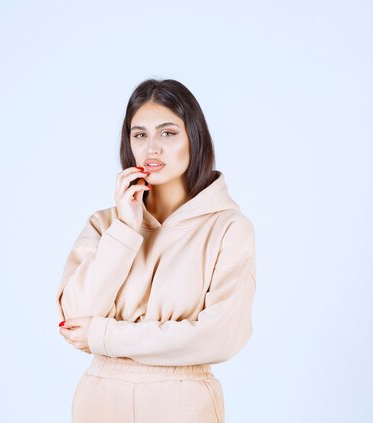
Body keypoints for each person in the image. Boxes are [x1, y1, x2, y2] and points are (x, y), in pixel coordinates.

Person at [56, 78, 256, 423]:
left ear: (194, 137)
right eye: (140, 134)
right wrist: (126, 229)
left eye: (167, 133)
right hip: (99, 402)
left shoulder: (228, 228)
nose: (152, 149)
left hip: (183, 404)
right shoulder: (105, 225)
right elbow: (75, 317)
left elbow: (220, 337)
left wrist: (103, 334)